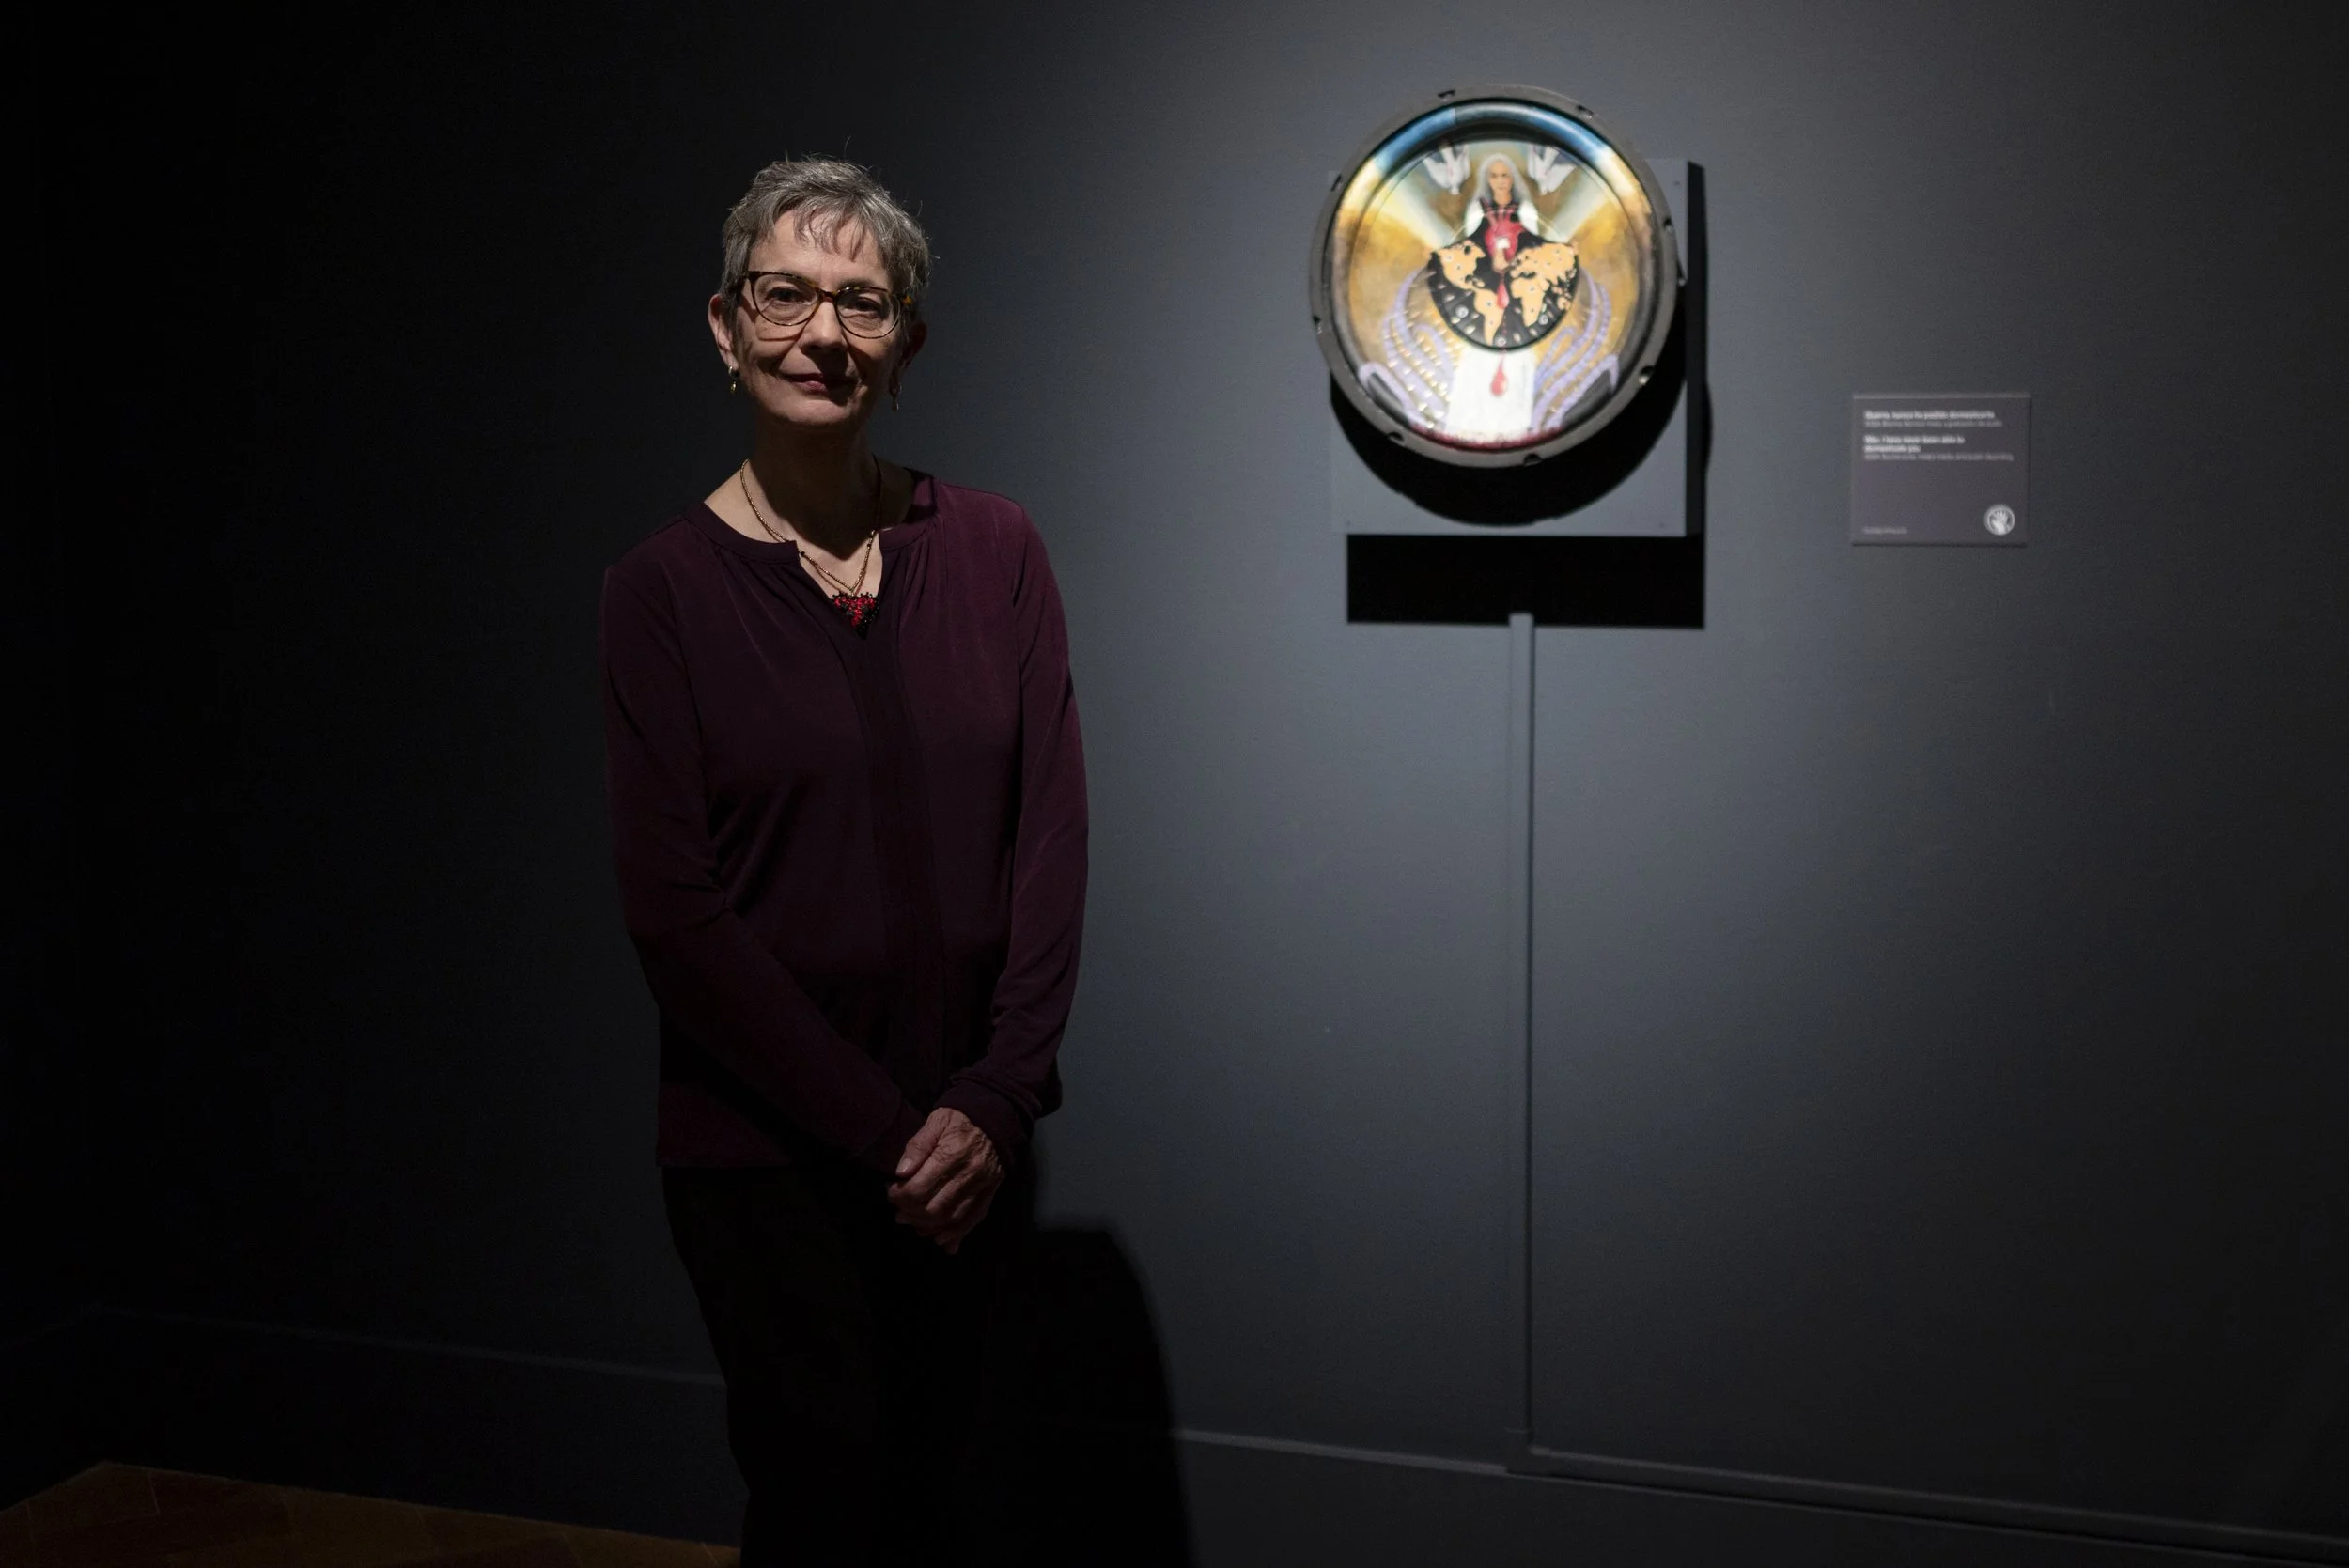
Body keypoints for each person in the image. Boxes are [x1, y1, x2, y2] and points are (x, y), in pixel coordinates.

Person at [599, 157, 1087, 1565]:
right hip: (770, 1163)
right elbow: (676, 916)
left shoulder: (994, 550)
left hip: (973, 1151)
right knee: (822, 1507)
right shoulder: (659, 596)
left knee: (952, 1504)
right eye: (787, 296)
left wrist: (992, 1103)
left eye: (863, 303)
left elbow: (1051, 834)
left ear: (908, 340)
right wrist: (895, 1142)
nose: (825, 333)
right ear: (724, 325)